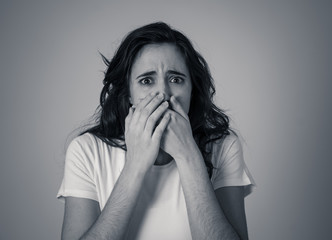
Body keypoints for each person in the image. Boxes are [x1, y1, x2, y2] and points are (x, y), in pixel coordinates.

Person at [57, 22, 255, 240]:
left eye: (176, 79)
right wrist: (135, 165)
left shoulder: (223, 146)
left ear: (192, 90)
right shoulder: (86, 151)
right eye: (146, 81)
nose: (163, 93)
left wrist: (188, 156)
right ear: (129, 93)